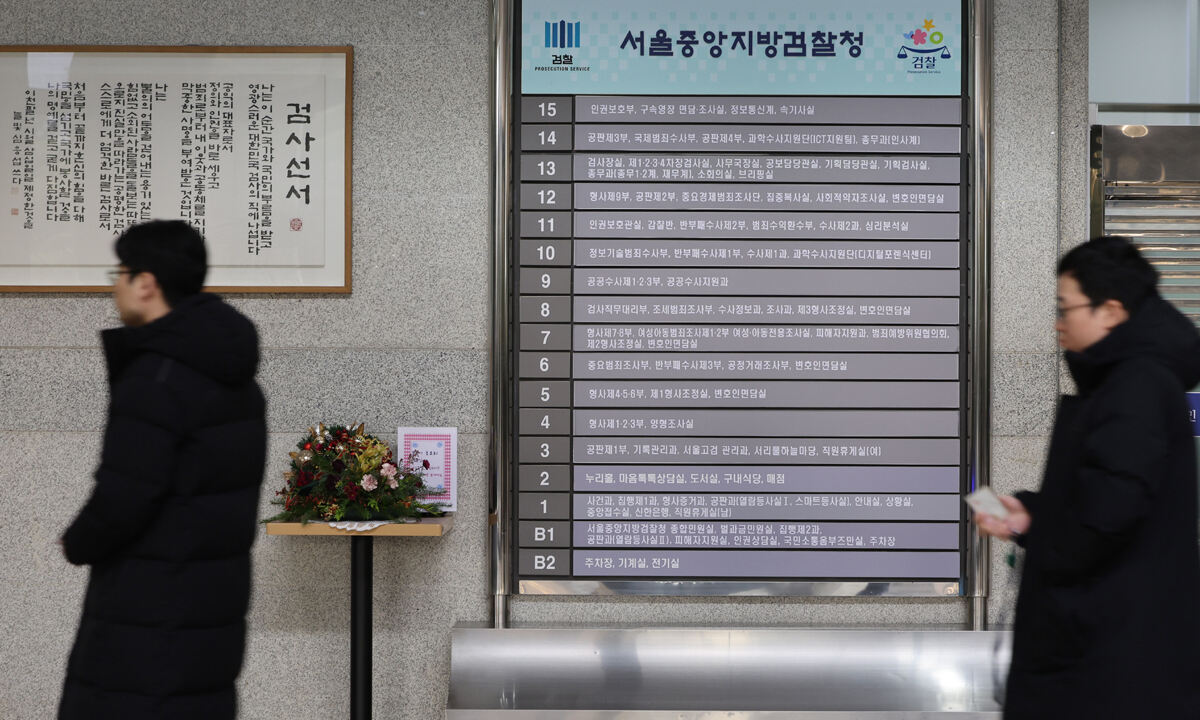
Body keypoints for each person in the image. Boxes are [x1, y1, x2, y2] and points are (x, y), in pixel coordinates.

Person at [975, 236, 1200, 718]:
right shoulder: (1127, 381)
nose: (1059, 323)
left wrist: (1033, 527)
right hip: (1110, 652)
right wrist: (1033, 514)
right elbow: (1107, 494)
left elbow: (1104, 521)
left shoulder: (1135, 388)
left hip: (1109, 665)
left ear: (1111, 311)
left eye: (1066, 308)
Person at [58, 220, 267, 720]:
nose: (115, 286)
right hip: (210, 609)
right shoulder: (237, 382)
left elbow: (125, 495)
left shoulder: (155, 378)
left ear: (146, 283)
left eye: (120, 273)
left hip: (147, 612)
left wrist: (77, 543)